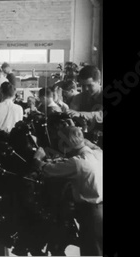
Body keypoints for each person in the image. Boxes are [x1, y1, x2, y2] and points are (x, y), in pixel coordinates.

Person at [32, 126, 102, 256]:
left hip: (91, 215)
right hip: (100, 210)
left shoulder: (77, 163)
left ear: (66, 144)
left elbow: (47, 169)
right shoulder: (99, 153)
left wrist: (37, 158)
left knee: (91, 251)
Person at [68, 66, 103, 132]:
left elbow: (101, 115)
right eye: (83, 86)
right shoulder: (78, 98)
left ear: (99, 82)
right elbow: (72, 114)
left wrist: (80, 114)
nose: (86, 89)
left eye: (90, 85)